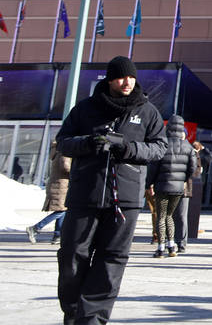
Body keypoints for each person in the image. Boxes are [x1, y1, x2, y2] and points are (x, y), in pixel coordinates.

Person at [56, 55, 166, 325]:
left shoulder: (148, 111)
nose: (127, 82)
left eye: (131, 76)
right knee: (72, 254)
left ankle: (91, 319)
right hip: (85, 194)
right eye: (120, 77)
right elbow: (63, 142)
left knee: (112, 259)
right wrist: (88, 143)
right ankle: (72, 311)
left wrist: (130, 148)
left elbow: (160, 147)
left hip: (125, 199)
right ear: (109, 78)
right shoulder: (86, 108)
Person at [146, 115, 198, 258]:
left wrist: (149, 183)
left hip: (162, 186)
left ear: (168, 128)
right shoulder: (188, 146)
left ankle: (161, 248)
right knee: (170, 216)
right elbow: (192, 168)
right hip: (178, 188)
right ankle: (172, 247)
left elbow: (153, 167)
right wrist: (183, 179)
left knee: (161, 216)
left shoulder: (163, 145)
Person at [26, 141, 71, 244]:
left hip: (58, 184)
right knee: (62, 211)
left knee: (63, 210)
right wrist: (76, 171)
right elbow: (66, 166)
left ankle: (57, 235)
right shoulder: (64, 152)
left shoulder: (56, 151)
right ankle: (35, 228)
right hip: (61, 185)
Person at [174, 140, 212, 250]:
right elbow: (196, 169)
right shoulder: (194, 154)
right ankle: (181, 241)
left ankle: (167, 240)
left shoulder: (183, 150)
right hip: (187, 186)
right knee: (182, 214)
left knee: (170, 215)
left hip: (173, 185)